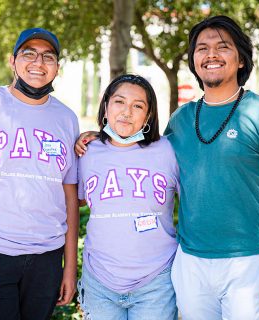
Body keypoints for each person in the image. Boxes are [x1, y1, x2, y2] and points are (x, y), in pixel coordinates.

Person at [77, 15, 259, 320]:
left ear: (241, 59)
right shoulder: (181, 119)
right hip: (189, 261)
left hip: (249, 260)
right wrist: (101, 138)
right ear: (193, 60)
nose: (211, 54)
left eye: (222, 47)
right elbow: (142, 152)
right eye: (202, 48)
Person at [0, 27, 79, 320]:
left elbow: (70, 196)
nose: (38, 62)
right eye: (29, 54)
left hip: (46, 259)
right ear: (12, 61)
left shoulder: (66, 118)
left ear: (57, 68)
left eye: (48, 56)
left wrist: (68, 268)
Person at [76, 74, 179, 320]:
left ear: (149, 115)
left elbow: (196, 200)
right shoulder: (86, 152)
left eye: (138, 106)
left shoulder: (169, 150)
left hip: (157, 279)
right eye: (119, 102)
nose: (127, 112)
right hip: (100, 280)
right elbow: (74, 202)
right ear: (106, 107)